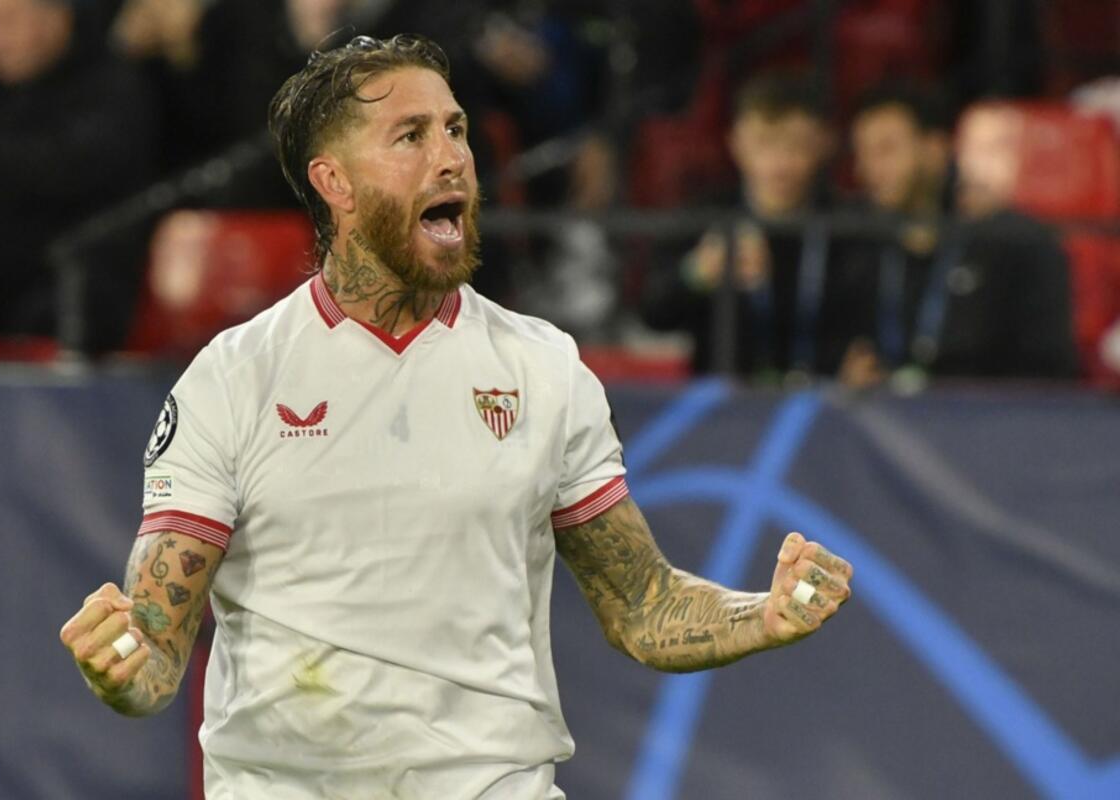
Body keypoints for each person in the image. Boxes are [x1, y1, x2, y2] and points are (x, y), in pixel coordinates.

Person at [58, 35, 853, 799]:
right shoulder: (232, 380)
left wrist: (765, 614)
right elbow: (154, 652)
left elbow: (645, 606)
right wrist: (117, 661)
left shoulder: (543, 368)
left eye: (457, 129)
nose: (452, 158)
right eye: (411, 135)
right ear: (334, 182)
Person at [0, 0, 157, 352]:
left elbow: (67, 168)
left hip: (70, 278)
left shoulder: (111, 90)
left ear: (57, 18)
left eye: (10, 20)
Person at [839, 86, 1077, 385]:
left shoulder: (1017, 243)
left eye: (885, 150)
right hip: (886, 410)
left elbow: (1050, 373)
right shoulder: (856, 242)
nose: (867, 169)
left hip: (990, 411)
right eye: (862, 153)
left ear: (935, 148)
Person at [641, 72, 845, 378]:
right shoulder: (705, 216)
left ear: (824, 144)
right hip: (724, 397)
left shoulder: (849, 223)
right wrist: (698, 273)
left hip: (826, 396)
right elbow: (653, 314)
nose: (779, 161)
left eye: (796, 144)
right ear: (736, 143)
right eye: (764, 142)